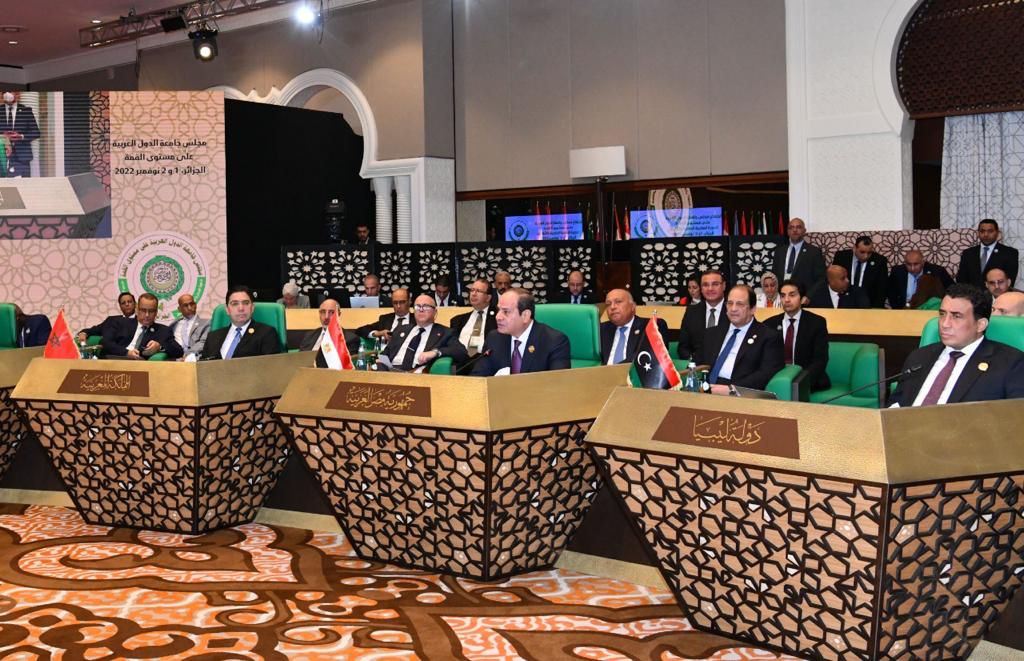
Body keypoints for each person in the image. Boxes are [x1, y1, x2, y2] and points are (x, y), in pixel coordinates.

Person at [891, 284, 1024, 406]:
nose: (945, 324)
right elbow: (895, 405)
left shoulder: (1010, 363)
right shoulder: (919, 357)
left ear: (980, 325)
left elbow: (1015, 416)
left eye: (956, 316)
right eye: (942, 314)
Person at [698, 284, 783, 394]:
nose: (733, 309)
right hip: (704, 389)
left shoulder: (768, 337)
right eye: (730, 303)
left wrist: (732, 389)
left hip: (738, 392)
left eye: (740, 304)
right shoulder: (712, 333)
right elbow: (697, 363)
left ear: (752, 309)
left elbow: (765, 373)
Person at [472, 288, 570, 375]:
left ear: (525, 316)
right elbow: (477, 379)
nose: (498, 317)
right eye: (499, 310)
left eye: (506, 312)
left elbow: (558, 384)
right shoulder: (494, 338)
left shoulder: (554, 341)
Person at [380, 294, 466, 372]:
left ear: (435, 312)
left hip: (417, 375)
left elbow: (461, 351)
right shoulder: (401, 329)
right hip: (390, 372)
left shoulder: (445, 332)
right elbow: (385, 354)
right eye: (417, 306)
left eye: (426, 307)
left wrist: (435, 352)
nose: (421, 310)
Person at [774, 280, 830, 391]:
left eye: (792, 295)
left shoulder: (816, 323)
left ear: (802, 298)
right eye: (783, 296)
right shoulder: (769, 324)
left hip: (807, 379)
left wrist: (799, 384)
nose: (787, 300)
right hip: (777, 380)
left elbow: (820, 360)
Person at [201, 286, 281, 359]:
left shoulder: (266, 333)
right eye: (235, 304)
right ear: (227, 310)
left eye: (246, 303)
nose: (241, 308)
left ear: (252, 308)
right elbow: (203, 365)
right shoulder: (213, 337)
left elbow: (270, 366)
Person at [100, 293, 183, 360]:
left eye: (151, 311)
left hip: (139, 367)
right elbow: (105, 343)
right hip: (113, 360)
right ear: (137, 309)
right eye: (143, 310)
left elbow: (179, 351)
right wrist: (127, 353)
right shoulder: (119, 322)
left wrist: (159, 347)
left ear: (156, 312)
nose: (147, 315)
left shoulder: (163, 331)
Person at [600, 289, 667, 365]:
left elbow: (648, 357)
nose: (612, 307)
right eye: (608, 304)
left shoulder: (652, 326)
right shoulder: (601, 329)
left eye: (618, 302)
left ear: (633, 306)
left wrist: (615, 369)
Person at [676, 270, 728, 360]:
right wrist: (693, 361)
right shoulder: (692, 312)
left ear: (724, 286)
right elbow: (683, 347)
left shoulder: (734, 311)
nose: (710, 288)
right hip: (697, 365)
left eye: (715, 284)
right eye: (705, 285)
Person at [956, 219, 1019, 288]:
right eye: (982, 231)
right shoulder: (968, 253)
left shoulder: (1010, 253)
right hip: (971, 293)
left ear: (997, 233)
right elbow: (961, 279)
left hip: (997, 293)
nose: (986, 234)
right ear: (978, 233)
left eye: (990, 231)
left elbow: (1009, 281)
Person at [299, 299, 360, 366]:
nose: (326, 317)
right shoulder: (309, 335)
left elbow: (344, 366)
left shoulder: (350, 339)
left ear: (339, 314)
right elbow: (299, 359)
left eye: (331, 312)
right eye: (323, 312)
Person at [832, 235, 889, 308]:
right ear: (854, 248)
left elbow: (882, 288)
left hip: (869, 303)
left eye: (869, 253)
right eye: (862, 252)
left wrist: (876, 308)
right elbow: (834, 280)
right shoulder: (841, 257)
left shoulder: (880, 261)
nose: (866, 256)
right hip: (844, 300)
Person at [771, 217, 825, 292]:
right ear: (788, 232)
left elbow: (821, 279)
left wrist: (809, 296)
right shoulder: (779, 251)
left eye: (798, 227)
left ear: (804, 231)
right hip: (781, 294)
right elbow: (774, 276)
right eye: (791, 228)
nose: (794, 230)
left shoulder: (814, 252)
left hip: (804, 295)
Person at [887, 249, 953, 309]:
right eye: (909, 264)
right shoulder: (897, 272)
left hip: (928, 310)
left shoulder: (937, 272)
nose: (912, 268)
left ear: (923, 262)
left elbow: (951, 290)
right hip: (903, 310)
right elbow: (891, 294)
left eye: (916, 264)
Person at [449, 277, 496, 359]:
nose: (473, 294)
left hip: (485, 360)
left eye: (478, 291)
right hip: (461, 360)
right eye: (472, 290)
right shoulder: (457, 320)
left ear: (488, 297)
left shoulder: (498, 318)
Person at [1, 91, 41, 178]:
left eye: (10, 91)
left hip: (22, 156)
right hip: (2, 156)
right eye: (4, 92)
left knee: (24, 184)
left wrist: (21, 136)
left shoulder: (26, 111)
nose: (7, 94)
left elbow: (36, 132)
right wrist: (3, 137)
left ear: (18, 94)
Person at [168, 294, 210, 361]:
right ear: (179, 309)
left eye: (192, 304)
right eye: (185, 305)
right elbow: (168, 340)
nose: (190, 308)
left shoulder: (206, 323)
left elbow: (203, 342)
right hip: (175, 358)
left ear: (195, 305)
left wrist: (187, 354)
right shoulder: (174, 324)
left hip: (193, 358)